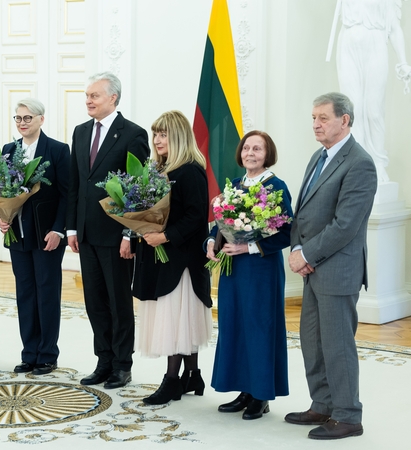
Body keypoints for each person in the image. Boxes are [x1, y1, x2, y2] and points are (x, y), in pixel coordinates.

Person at [286, 92, 377, 440]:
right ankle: (322, 404)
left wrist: (305, 255)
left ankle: (348, 415)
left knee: (338, 344)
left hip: (337, 270)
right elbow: (302, 211)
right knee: (312, 341)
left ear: (345, 120)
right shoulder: (318, 156)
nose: (316, 124)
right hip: (311, 267)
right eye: (313, 118)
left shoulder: (359, 163)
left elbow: (346, 225)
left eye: (323, 118)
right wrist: (297, 248)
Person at [66, 72, 150, 389]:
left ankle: (122, 365)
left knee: (118, 302)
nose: (88, 100)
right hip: (86, 233)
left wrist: (131, 234)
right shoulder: (81, 131)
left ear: (113, 98)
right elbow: (76, 183)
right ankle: (103, 360)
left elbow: (138, 188)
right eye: (87, 96)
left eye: (94, 96)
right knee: (94, 302)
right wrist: (72, 227)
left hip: (117, 236)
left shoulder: (133, 134)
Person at [205, 130, 293, 419]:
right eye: (246, 148)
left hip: (260, 270)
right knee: (235, 326)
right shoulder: (235, 185)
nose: (250, 153)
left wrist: (250, 246)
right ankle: (244, 388)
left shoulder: (275, 186)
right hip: (233, 270)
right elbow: (221, 223)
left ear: (267, 154)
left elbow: (287, 233)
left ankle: (261, 394)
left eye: (257, 149)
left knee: (259, 328)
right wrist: (211, 241)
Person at [133, 110, 213, 405]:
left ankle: (171, 382)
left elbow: (196, 216)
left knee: (177, 320)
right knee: (183, 320)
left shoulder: (189, 169)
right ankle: (192, 375)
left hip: (182, 260)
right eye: (155, 134)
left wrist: (164, 237)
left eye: (163, 134)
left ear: (178, 136)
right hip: (160, 256)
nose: (156, 140)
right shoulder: (157, 169)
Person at [0, 98, 70, 375]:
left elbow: (67, 194)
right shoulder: (8, 150)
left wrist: (59, 230)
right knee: (25, 293)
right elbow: (0, 192)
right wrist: (1, 217)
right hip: (18, 234)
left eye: (28, 118)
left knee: (47, 293)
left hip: (46, 234)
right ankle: (29, 353)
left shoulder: (59, 150)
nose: (22, 123)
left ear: (41, 119)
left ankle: (48, 355)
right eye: (18, 118)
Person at [334, 0, 411, 183]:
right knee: (352, 110)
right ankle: (355, 165)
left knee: (373, 111)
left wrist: (403, 62)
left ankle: (376, 163)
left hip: (375, 45)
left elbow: (394, 29)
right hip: (348, 45)